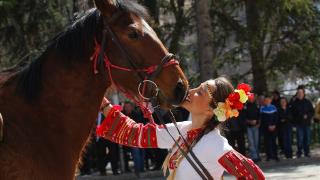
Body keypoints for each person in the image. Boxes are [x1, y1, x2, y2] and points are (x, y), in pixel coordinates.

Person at [96, 77, 265, 180]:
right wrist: (102, 103)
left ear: (212, 109)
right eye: (197, 87)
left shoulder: (216, 145)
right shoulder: (183, 129)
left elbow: (255, 176)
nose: (191, 91)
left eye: (200, 92)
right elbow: (136, 134)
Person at [290, 88, 314, 158]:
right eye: (298, 93)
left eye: (301, 93)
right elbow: (292, 114)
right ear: (297, 94)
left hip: (307, 124)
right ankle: (299, 152)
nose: (300, 94)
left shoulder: (308, 102)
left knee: (307, 139)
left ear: (303, 94)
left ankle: (307, 152)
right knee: (300, 139)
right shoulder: (294, 103)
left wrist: (308, 115)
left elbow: (312, 112)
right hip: (298, 124)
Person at [260, 94, 279, 161]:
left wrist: (274, 125)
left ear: (270, 100)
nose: (267, 101)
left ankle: (275, 155)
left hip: (274, 128)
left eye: (268, 100)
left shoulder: (274, 108)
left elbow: (276, 118)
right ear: (264, 101)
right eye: (266, 100)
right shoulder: (262, 109)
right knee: (267, 143)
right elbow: (263, 120)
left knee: (274, 142)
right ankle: (269, 156)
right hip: (266, 128)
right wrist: (268, 126)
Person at [243, 95, 261, 162]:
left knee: (256, 142)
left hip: (256, 126)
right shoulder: (245, 106)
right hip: (249, 127)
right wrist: (249, 121)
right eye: (250, 98)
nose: (251, 99)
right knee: (251, 142)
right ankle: (254, 156)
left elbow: (259, 115)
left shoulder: (257, 105)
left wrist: (258, 123)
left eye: (252, 98)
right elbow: (244, 117)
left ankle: (257, 155)